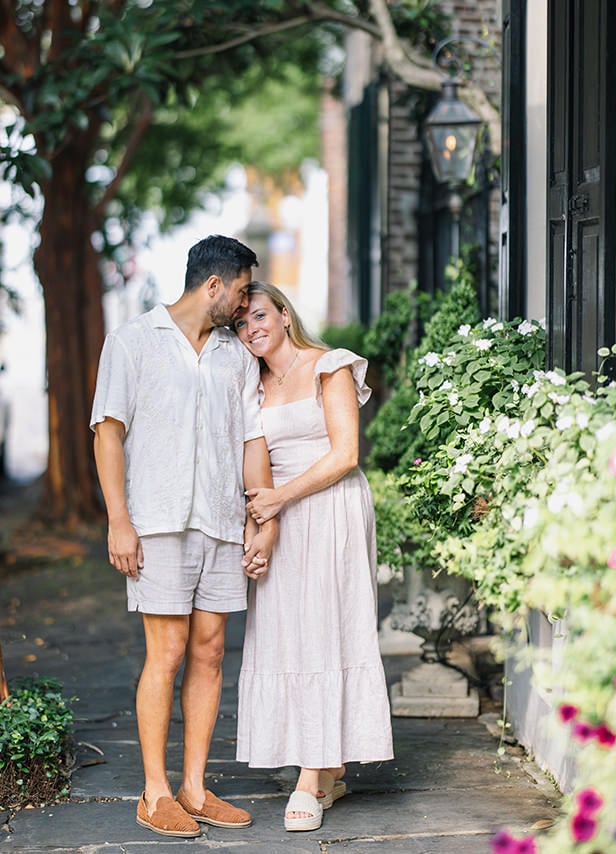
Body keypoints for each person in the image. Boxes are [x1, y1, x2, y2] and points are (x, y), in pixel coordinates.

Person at [91, 235, 272, 838]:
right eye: (241, 291)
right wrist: (119, 519)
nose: (245, 304)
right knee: (165, 653)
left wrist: (259, 517)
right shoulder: (132, 341)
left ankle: (194, 787)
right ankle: (155, 792)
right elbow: (108, 432)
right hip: (159, 521)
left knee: (211, 652)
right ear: (213, 285)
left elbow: (250, 439)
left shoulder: (235, 356)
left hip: (221, 521)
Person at [231, 281, 393, 832]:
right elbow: (255, 463)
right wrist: (261, 521)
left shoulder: (330, 366)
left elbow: (346, 454)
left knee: (327, 629)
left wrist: (280, 498)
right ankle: (327, 768)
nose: (251, 329)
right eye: (241, 323)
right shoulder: (251, 384)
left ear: (283, 313)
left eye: (259, 315)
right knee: (287, 632)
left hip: (331, 508)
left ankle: (309, 775)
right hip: (282, 517)